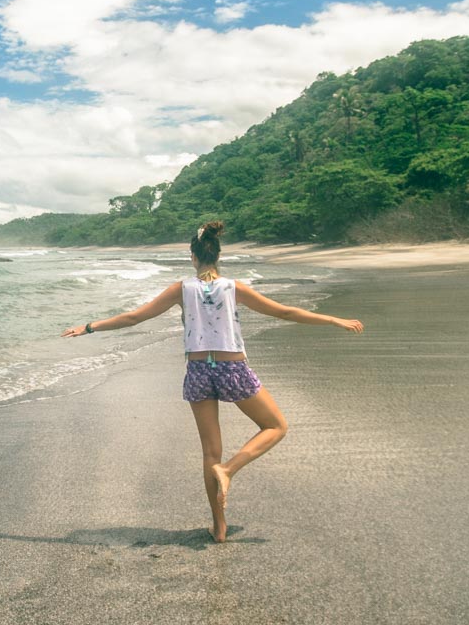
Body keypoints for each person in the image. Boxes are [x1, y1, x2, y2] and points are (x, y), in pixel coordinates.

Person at [61, 220, 364, 543]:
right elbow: (285, 313)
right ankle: (230, 470)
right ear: (218, 256)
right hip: (232, 369)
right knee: (276, 427)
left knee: (210, 452)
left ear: (193, 257)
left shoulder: (181, 289)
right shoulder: (234, 288)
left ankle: (219, 528)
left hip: (198, 373)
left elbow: (136, 316)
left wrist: (90, 326)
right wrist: (333, 319)